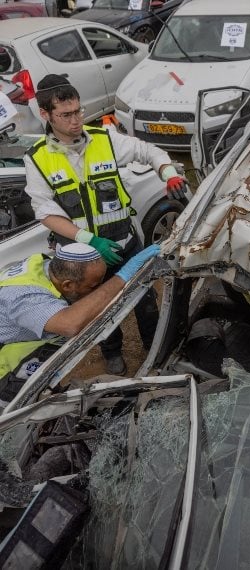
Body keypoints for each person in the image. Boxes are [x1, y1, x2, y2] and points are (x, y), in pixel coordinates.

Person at [23, 74, 186, 375]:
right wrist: (89, 240)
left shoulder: (104, 139)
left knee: (144, 299)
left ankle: (155, 346)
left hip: (124, 244)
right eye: (66, 114)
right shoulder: (37, 159)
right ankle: (111, 351)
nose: (76, 121)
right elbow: (45, 213)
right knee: (98, 309)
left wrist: (167, 172)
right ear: (45, 115)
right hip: (84, 258)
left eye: (79, 111)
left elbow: (147, 151)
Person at [0, 243, 160, 407]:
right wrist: (122, 276)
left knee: (40, 388)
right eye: (93, 286)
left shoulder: (49, 270)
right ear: (68, 285)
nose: (98, 289)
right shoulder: (23, 297)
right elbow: (70, 324)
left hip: (28, 345)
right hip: (7, 364)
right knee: (18, 407)